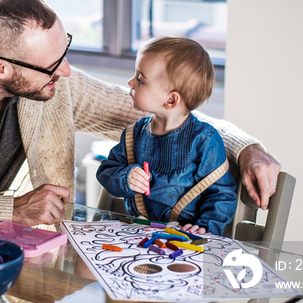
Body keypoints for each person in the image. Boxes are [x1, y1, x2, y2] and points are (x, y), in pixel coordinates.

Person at [0, 0, 280, 238]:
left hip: (15, 253)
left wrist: (245, 147)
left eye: (65, 52)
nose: (64, 71)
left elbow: (162, 118)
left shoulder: (56, 84)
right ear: (0, 67)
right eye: (51, 65)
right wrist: (10, 209)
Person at [95, 37, 236, 236]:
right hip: (138, 234)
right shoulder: (133, 135)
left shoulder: (204, 140)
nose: (130, 82)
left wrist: (205, 226)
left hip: (184, 240)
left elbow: (222, 195)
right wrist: (125, 178)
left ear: (171, 100)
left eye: (140, 79)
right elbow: (106, 171)